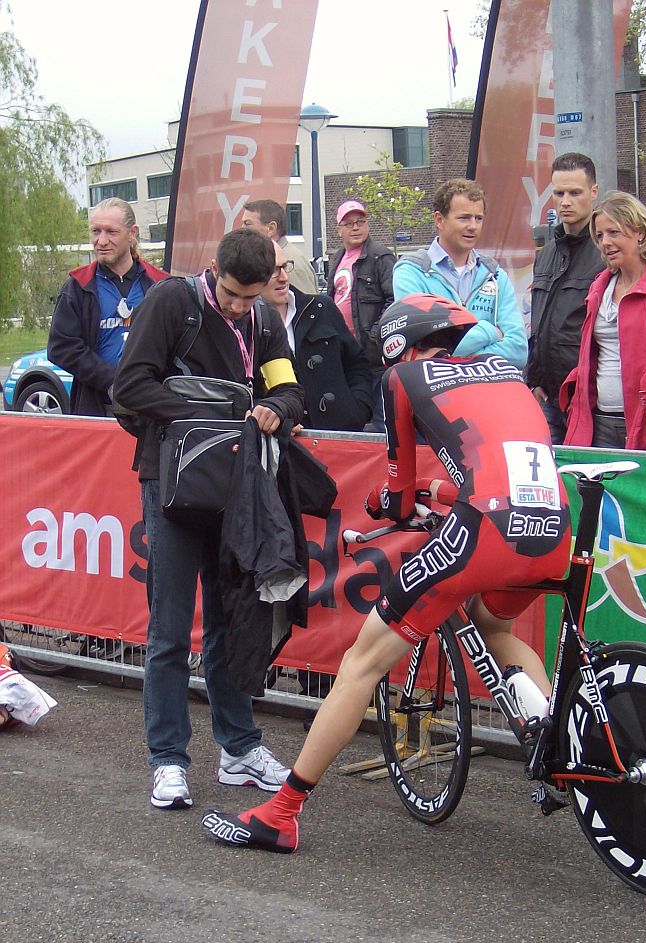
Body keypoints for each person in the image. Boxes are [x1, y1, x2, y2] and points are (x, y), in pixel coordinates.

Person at [201, 293, 571, 853]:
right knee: (496, 630)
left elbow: (397, 500)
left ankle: (281, 814)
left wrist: (390, 499)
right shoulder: (507, 375)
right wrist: (436, 492)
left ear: (399, 346)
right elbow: (490, 469)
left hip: (485, 534)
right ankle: (554, 746)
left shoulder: (404, 379)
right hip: (551, 527)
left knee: (360, 665)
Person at [113, 229, 305, 810]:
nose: (238, 307)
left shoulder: (265, 320)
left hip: (237, 493)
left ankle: (238, 749)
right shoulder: (173, 302)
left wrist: (275, 407)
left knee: (233, 623)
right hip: (169, 488)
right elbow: (130, 386)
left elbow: (292, 390)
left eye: (250, 297)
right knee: (169, 631)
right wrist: (212, 409)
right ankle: (168, 760)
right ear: (213, 269)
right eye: (231, 294)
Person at [560, 191, 646, 450]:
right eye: (600, 236)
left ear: (639, 232)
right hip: (598, 421)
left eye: (614, 232)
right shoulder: (599, 287)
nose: (605, 242)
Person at [47, 198, 169, 416]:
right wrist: (111, 380)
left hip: (152, 409)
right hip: (97, 406)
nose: (101, 241)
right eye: (96, 231)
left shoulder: (161, 284)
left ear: (132, 233)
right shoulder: (78, 285)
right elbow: (61, 347)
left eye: (111, 232)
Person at [393, 178, 527, 370]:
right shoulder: (411, 273)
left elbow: (519, 352)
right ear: (439, 220)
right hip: (438, 395)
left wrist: (456, 357)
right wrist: (489, 331)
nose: (473, 226)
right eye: (464, 218)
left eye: (478, 218)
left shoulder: (496, 275)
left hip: (489, 394)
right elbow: (424, 353)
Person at [526, 153, 604, 444]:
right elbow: (539, 322)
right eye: (559, 193)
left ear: (594, 192)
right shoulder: (546, 254)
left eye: (575, 192)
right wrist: (533, 380)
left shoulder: (605, 252)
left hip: (588, 399)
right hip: (547, 396)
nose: (565, 201)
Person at [260, 239, 373, 431]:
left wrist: (358, 410)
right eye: (273, 270)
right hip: (288, 445)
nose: (284, 277)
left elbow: (357, 364)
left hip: (341, 437)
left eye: (286, 267)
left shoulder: (321, 308)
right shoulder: (247, 325)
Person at [326, 200, 396, 429]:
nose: (355, 227)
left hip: (374, 356)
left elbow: (394, 300)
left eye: (360, 222)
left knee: (379, 420)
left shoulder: (380, 257)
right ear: (339, 230)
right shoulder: (337, 258)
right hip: (346, 353)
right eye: (349, 223)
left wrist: (375, 337)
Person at [241, 198, 318, 295]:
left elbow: (305, 307)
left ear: (271, 228)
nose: (242, 229)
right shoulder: (272, 257)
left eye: (247, 224)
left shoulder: (290, 263)